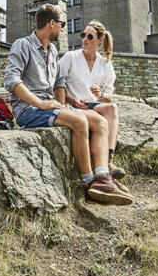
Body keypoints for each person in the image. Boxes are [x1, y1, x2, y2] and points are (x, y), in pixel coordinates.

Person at [3, 3, 132, 206]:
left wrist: (62, 106)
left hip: (49, 106)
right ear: (51, 23)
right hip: (28, 110)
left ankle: (102, 177)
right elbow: (11, 80)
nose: (63, 29)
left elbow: (58, 83)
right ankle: (89, 184)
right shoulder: (22, 45)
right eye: (62, 24)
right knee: (79, 120)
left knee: (100, 122)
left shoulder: (53, 51)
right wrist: (41, 103)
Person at [54, 19, 125, 181]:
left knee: (112, 108)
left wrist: (100, 94)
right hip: (73, 106)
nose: (85, 39)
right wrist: (71, 100)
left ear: (100, 41)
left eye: (90, 36)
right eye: (83, 35)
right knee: (103, 116)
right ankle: (100, 170)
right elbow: (56, 84)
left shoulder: (105, 63)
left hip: (93, 106)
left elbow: (107, 96)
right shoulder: (70, 57)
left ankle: (109, 160)